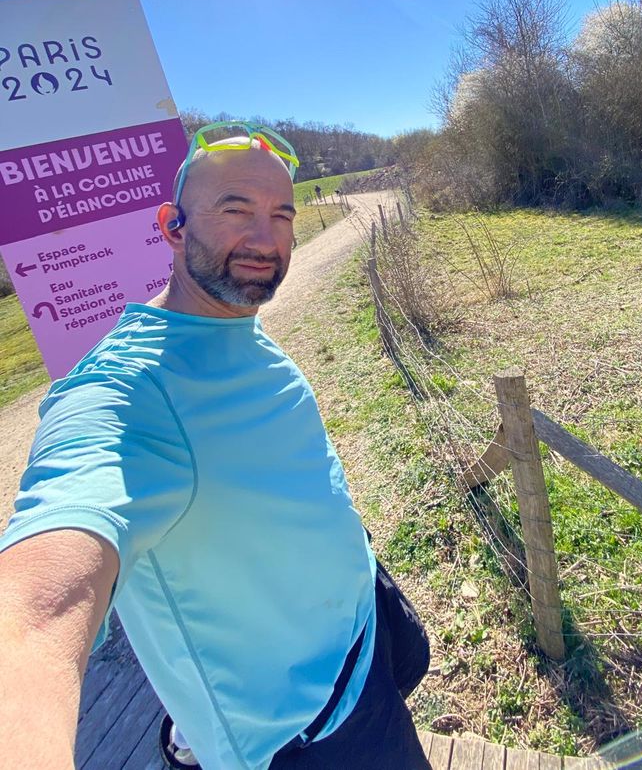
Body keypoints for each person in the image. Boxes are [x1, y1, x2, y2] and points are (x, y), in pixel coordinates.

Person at [0, 123, 430, 770]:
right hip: (309, 732)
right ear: (173, 226)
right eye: (237, 210)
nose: (266, 236)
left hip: (360, 630)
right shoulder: (127, 390)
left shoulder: (231, 324)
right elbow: (36, 615)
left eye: (281, 214)